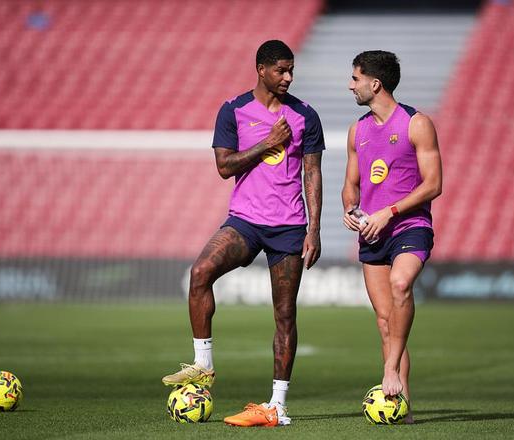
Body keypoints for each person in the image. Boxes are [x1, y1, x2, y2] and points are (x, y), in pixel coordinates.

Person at [162, 40, 324, 427]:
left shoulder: (305, 115)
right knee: (201, 273)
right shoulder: (233, 110)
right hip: (246, 221)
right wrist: (268, 143)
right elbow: (224, 167)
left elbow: (312, 173)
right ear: (261, 70)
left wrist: (314, 229)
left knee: (285, 314)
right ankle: (203, 364)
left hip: (289, 226)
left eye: (291, 70)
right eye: (281, 70)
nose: (288, 77)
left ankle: (278, 405)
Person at [341, 50, 442, 424]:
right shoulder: (357, 131)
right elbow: (351, 184)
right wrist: (350, 208)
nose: (350, 85)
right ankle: (403, 408)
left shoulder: (417, 124)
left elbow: (434, 184)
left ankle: (389, 370)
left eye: (355, 78)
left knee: (401, 284)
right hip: (372, 234)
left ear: (375, 83)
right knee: (386, 323)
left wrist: (390, 211)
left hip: (409, 226)